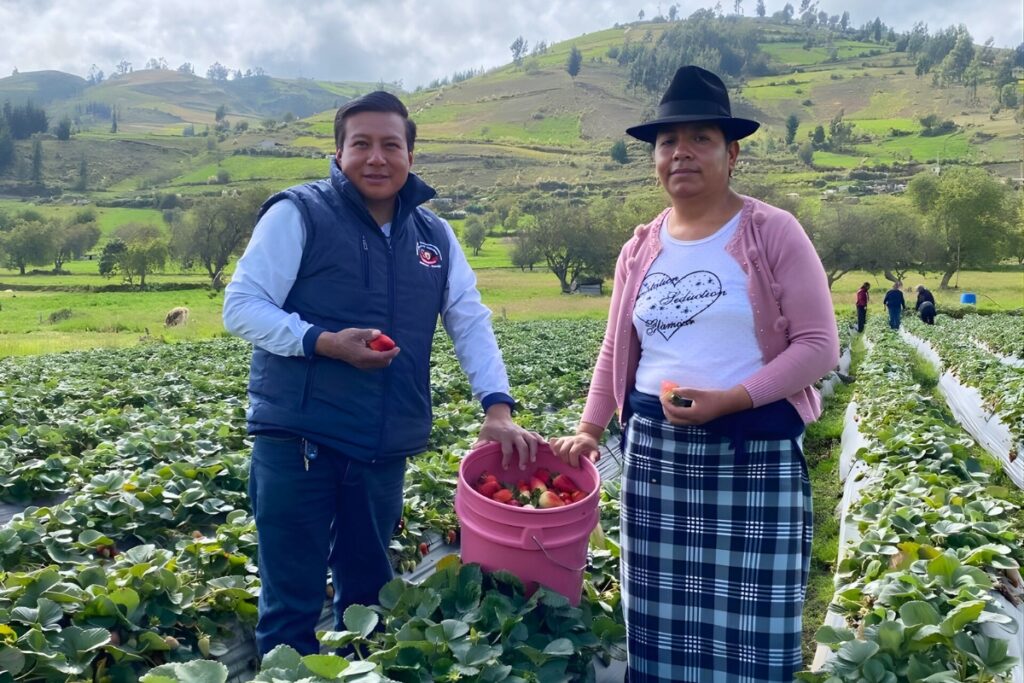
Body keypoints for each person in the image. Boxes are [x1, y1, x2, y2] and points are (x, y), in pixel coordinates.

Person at [223, 91, 542, 658]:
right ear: (339, 152)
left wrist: (497, 406)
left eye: (390, 144)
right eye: (361, 144)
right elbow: (243, 305)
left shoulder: (434, 237)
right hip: (300, 439)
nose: (376, 157)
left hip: (381, 445)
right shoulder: (299, 213)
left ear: (411, 156)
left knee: (367, 600)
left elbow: (468, 319)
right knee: (291, 601)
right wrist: (323, 342)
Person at [549, 65, 839, 682]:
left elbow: (819, 347)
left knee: (754, 629)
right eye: (667, 141)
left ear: (732, 154)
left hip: (751, 452)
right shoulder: (640, 247)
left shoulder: (772, 231)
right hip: (656, 458)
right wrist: (589, 428)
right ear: (654, 158)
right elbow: (614, 350)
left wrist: (732, 399)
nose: (681, 152)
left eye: (701, 138)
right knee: (659, 631)